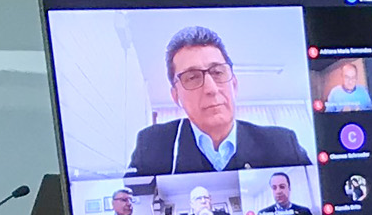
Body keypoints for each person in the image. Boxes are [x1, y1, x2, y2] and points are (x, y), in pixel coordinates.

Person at [126, 25, 311, 174]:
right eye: (192, 77)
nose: (211, 89)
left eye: (217, 72)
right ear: (176, 96)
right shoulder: (151, 145)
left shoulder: (282, 144)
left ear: (234, 85)